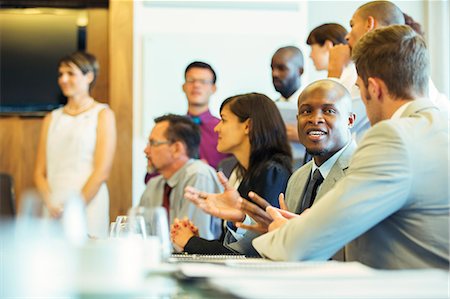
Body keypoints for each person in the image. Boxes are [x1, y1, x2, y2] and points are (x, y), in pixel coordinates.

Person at [252, 25, 449, 270]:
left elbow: (299, 246)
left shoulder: (393, 137)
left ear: (374, 89)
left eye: (361, 91)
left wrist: (283, 232)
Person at [236, 79, 357, 261]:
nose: (315, 119)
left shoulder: (363, 171)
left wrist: (299, 235)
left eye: (329, 111)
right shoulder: (298, 177)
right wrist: (242, 219)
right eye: (306, 111)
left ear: (349, 120)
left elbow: (359, 249)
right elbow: (282, 241)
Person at [171, 93, 292, 256]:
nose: (216, 128)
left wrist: (191, 242)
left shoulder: (271, 173)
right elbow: (232, 247)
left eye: (224, 120)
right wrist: (195, 241)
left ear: (247, 126)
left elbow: (254, 252)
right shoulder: (242, 172)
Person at [34, 51, 117, 238]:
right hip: (54, 206)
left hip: (88, 204)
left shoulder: (102, 114)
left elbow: (102, 170)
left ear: (89, 76)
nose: (63, 79)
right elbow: (39, 172)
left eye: (70, 73)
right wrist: (50, 203)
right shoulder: (52, 118)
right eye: (60, 74)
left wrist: (75, 206)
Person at [328, 1, 448, 116]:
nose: (347, 36)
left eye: (352, 25)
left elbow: (336, 120)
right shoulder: (410, 65)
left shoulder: (382, 67)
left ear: (369, 24)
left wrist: (334, 69)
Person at [139, 114, 222, 240]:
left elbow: (189, 242)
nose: (146, 150)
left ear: (177, 148)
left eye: (153, 143)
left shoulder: (198, 175)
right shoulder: (154, 184)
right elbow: (139, 234)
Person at [306, 23, 369, 142]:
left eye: (312, 48)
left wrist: (333, 71)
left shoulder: (354, 77)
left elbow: (335, 125)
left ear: (328, 46)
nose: (310, 55)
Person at [271, 46, 307, 168]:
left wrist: (304, 136)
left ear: (300, 71)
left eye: (282, 68)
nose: (275, 74)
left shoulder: (315, 106)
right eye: (272, 68)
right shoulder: (269, 108)